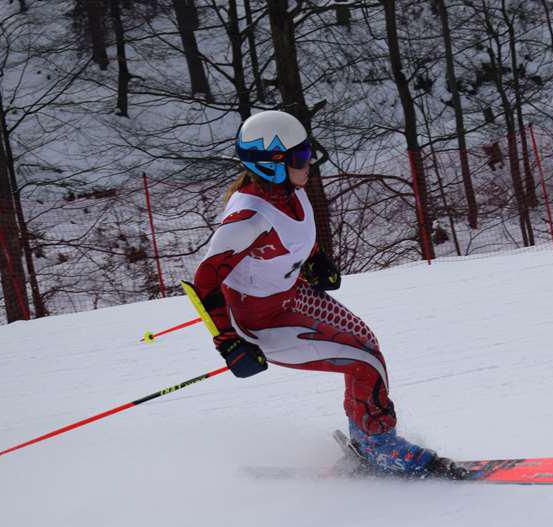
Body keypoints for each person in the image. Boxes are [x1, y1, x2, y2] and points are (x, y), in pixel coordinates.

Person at [193, 110, 463, 478]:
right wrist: (229, 344)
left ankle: (367, 442)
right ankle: (378, 447)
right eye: (300, 158)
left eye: (308, 153)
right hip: (261, 322)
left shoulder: (290, 191)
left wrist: (315, 261)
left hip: (292, 296)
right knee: (364, 361)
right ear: (272, 166)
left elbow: (292, 237)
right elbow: (205, 280)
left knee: (367, 345)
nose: (309, 164)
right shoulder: (248, 218)